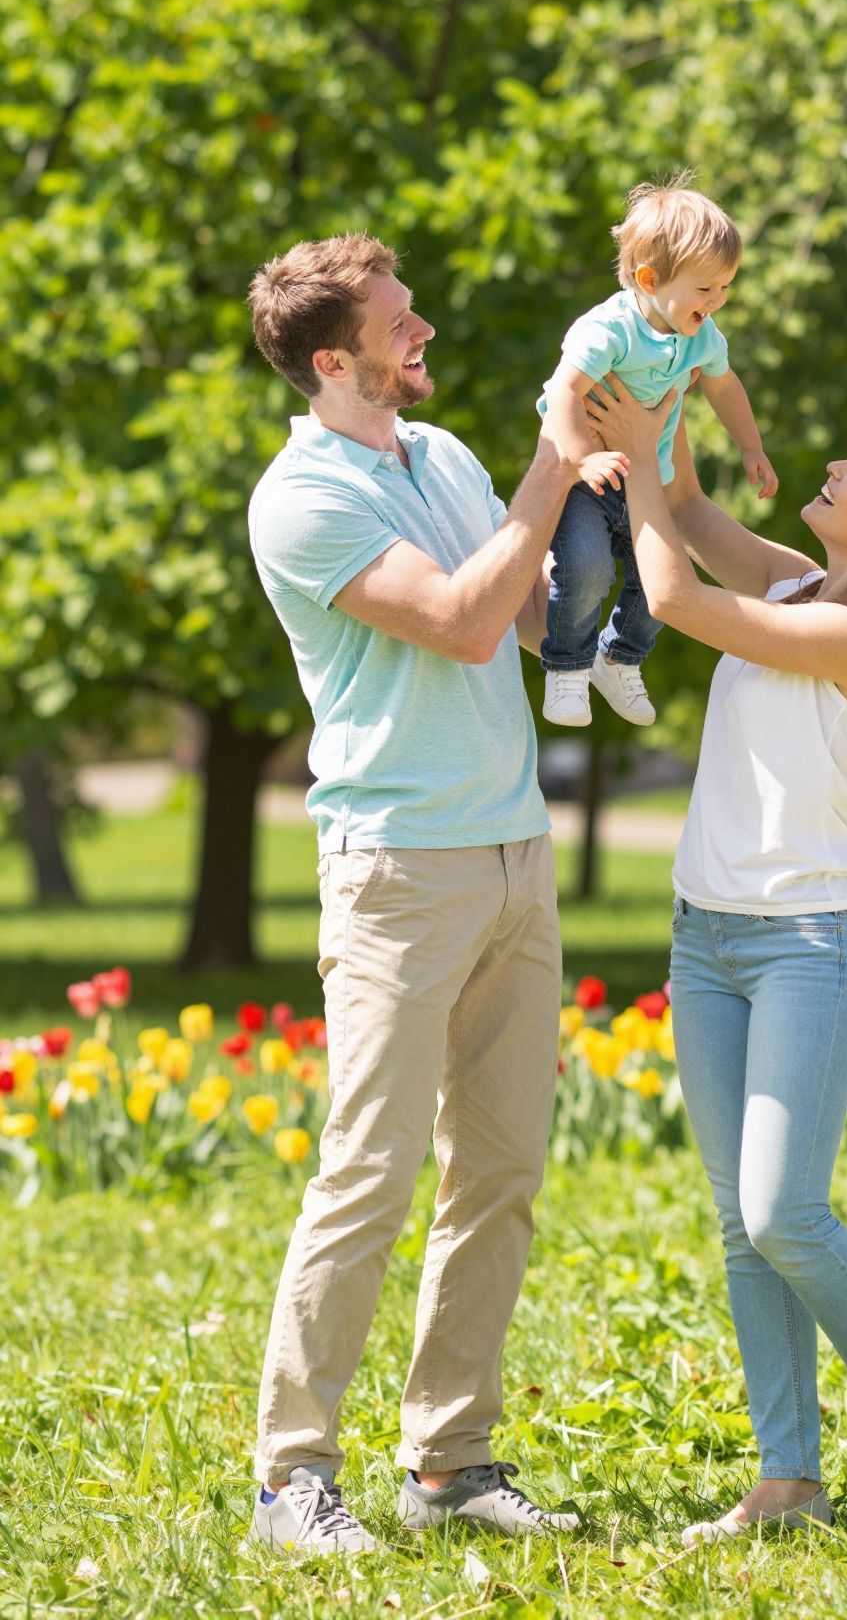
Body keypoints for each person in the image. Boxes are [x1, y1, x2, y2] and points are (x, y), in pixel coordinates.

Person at [586, 375, 847, 1543]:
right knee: (737, 1219)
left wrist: (632, 458)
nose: (835, 470)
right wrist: (665, 382)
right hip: (706, 934)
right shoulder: (804, 581)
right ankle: (788, 1478)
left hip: (806, 945)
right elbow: (694, 510)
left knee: (783, 1212)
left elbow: (671, 584)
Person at [243, 232, 581, 1553]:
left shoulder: (438, 459)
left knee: (496, 1172)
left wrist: (597, 510)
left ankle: (450, 1463)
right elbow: (457, 618)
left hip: (512, 854)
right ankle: (291, 1483)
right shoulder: (303, 498)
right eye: (398, 323)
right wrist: (554, 456)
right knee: (370, 1175)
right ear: (336, 361)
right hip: (396, 870)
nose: (422, 329)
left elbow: (535, 611)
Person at [535, 175, 776, 731]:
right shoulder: (608, 330)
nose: (716, 302)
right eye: (706, 289)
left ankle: (618, 657)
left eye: (724, 289)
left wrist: (751, 446)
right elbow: (563, 393)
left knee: (661, 576)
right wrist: (580, 459)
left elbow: (723, 386)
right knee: (588, 568)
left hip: (647, 480)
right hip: (585, 482)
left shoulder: (701, 335)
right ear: (649, 278)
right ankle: (568, 665)